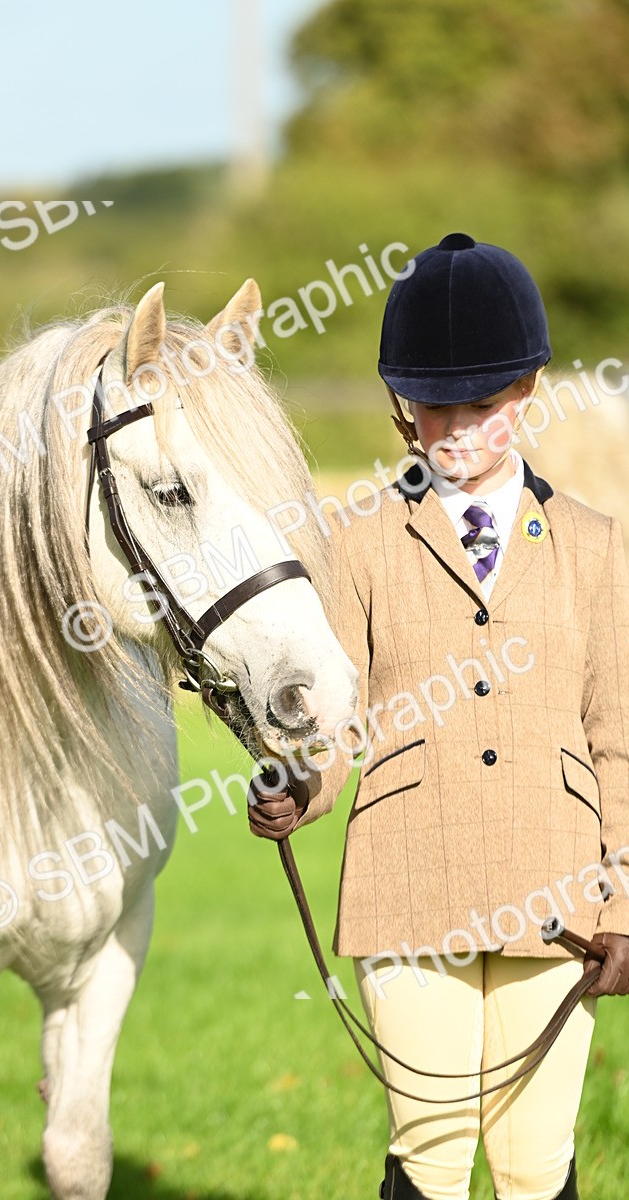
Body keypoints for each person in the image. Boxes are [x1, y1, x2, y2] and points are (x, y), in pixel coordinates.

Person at [247, 233, 629, 1200]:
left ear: (530, 392)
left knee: (536, 1160)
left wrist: (624, 902)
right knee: (432, 1152)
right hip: (413, 880)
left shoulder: (596, 545)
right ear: (396, 404)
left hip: (560, 890)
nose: (455, 427)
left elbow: (618, 737)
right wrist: (303, 786)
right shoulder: (359, 542)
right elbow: (340, 721)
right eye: (431, 405)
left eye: (482, 404)